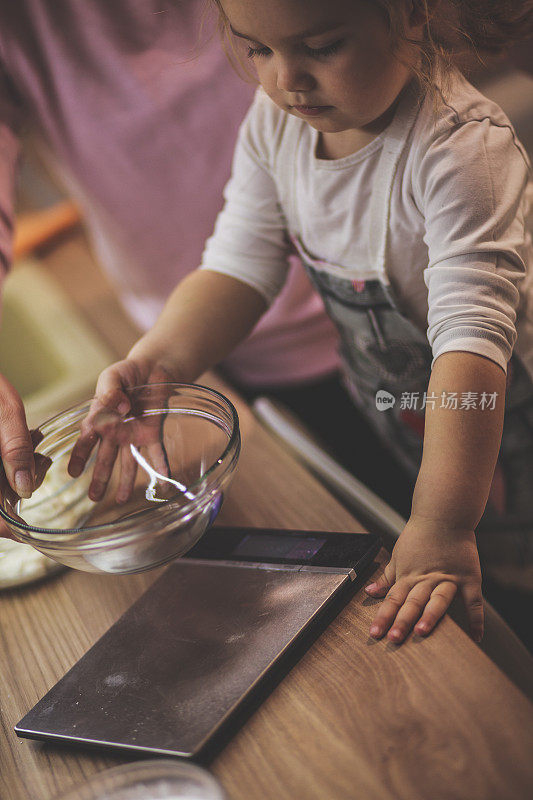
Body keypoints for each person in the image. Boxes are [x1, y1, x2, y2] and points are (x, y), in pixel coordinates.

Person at [6, 0, 533, 645]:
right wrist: (159, 364)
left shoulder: (461, 150)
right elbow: (237, 267)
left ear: (412, 15)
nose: (286, 80)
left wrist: (444, 524)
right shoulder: (276, 124)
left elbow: (470, 348)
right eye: (258, 49)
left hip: (496, 420)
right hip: (410, 416)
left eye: (322, 46)